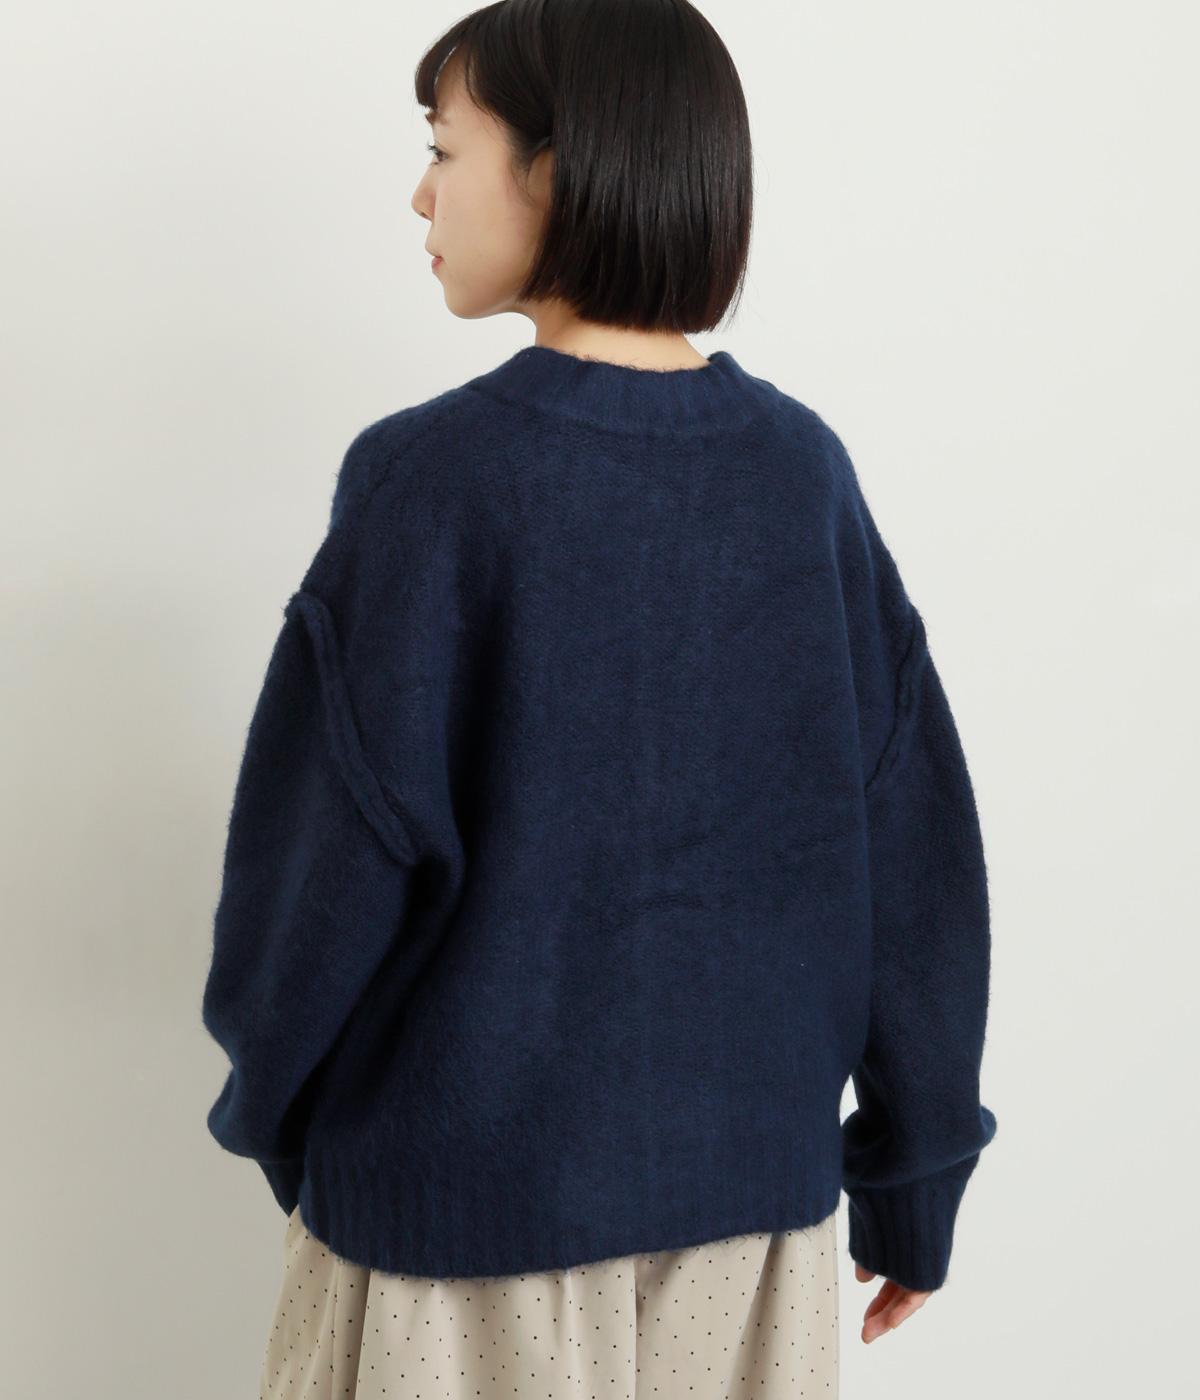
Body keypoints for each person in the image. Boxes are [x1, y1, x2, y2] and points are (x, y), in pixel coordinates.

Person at [200, 2, 998, 1395]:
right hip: (748, 1231)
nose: (420, 194)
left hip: (459, 1233)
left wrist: (282, 1121)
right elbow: (911, 847)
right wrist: (917, 1165)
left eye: (443, 149)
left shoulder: (427, 484)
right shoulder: (801, 476)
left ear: (558, 171)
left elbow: (320, 872)